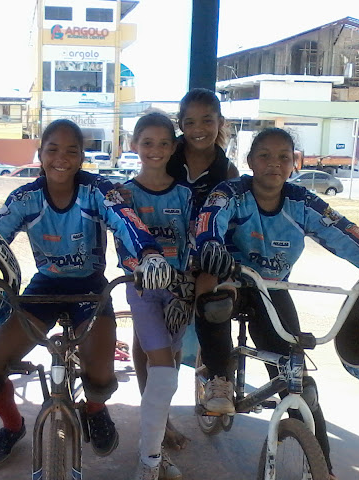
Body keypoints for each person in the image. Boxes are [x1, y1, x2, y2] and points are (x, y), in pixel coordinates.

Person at [193, 127, 359, 479]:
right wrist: (210, 245)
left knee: (297, 379)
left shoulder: (303, 203)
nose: (274, 163)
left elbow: (344, 233)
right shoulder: (231, 193)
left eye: (283, 157)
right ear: (250, 161)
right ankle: (219, 378)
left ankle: (324, 470)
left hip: (272, 288)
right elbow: (210, 219)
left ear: (294, 163)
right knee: (214, 299)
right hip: (232, 280)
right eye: (265, 156)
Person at [0, 118, 173, 467]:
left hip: (91, 289)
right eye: (53, 149)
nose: (61, 158)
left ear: (82, 157)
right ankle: (13, 425)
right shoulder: (25, 197)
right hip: (45, 287)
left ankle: (95, 410)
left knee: (101, 376)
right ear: (40, 154)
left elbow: (126, 221)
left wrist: (148, 254)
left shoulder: (98, 191)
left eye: (71, 151)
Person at [129, 89, 240, 454]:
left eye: (207, 120)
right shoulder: (168, 152)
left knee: (187, 330)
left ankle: (216, 377)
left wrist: (210, 268)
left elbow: (229, 222)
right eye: (190, 121)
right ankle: (158, 419)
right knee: (147, 341)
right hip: (155, 267)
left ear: (220, 122)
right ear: (180, 124)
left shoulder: (227, 171)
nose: (199, 129)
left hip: (201, 262)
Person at [115, 112, 193, 480]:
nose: (155, 150)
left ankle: (159, 434)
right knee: (161, 369)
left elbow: (193, 243)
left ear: (174, 147)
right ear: (134, 145)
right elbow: (122, 244)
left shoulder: (185, 195)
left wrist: (188, 284)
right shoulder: (123, 195)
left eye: (164, 143)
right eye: (147, 142)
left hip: (179, 293)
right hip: (143, 290)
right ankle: (150, 459)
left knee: (169, 368)